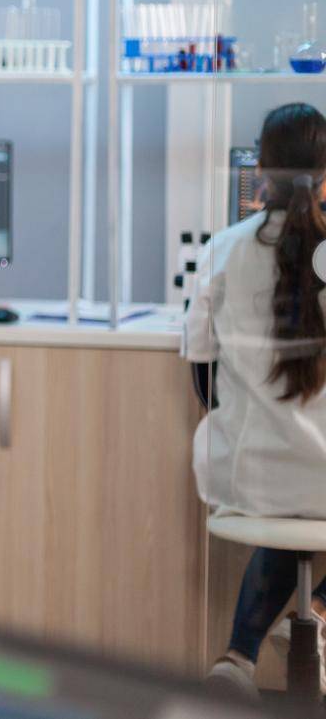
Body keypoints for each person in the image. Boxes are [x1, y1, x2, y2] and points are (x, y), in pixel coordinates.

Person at [185, 101, 326, 699]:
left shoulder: (222, 250)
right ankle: (318, 613)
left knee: (290, 492)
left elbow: (202, 379)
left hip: (250, 480)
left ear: (261, 170)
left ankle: (238, 660)